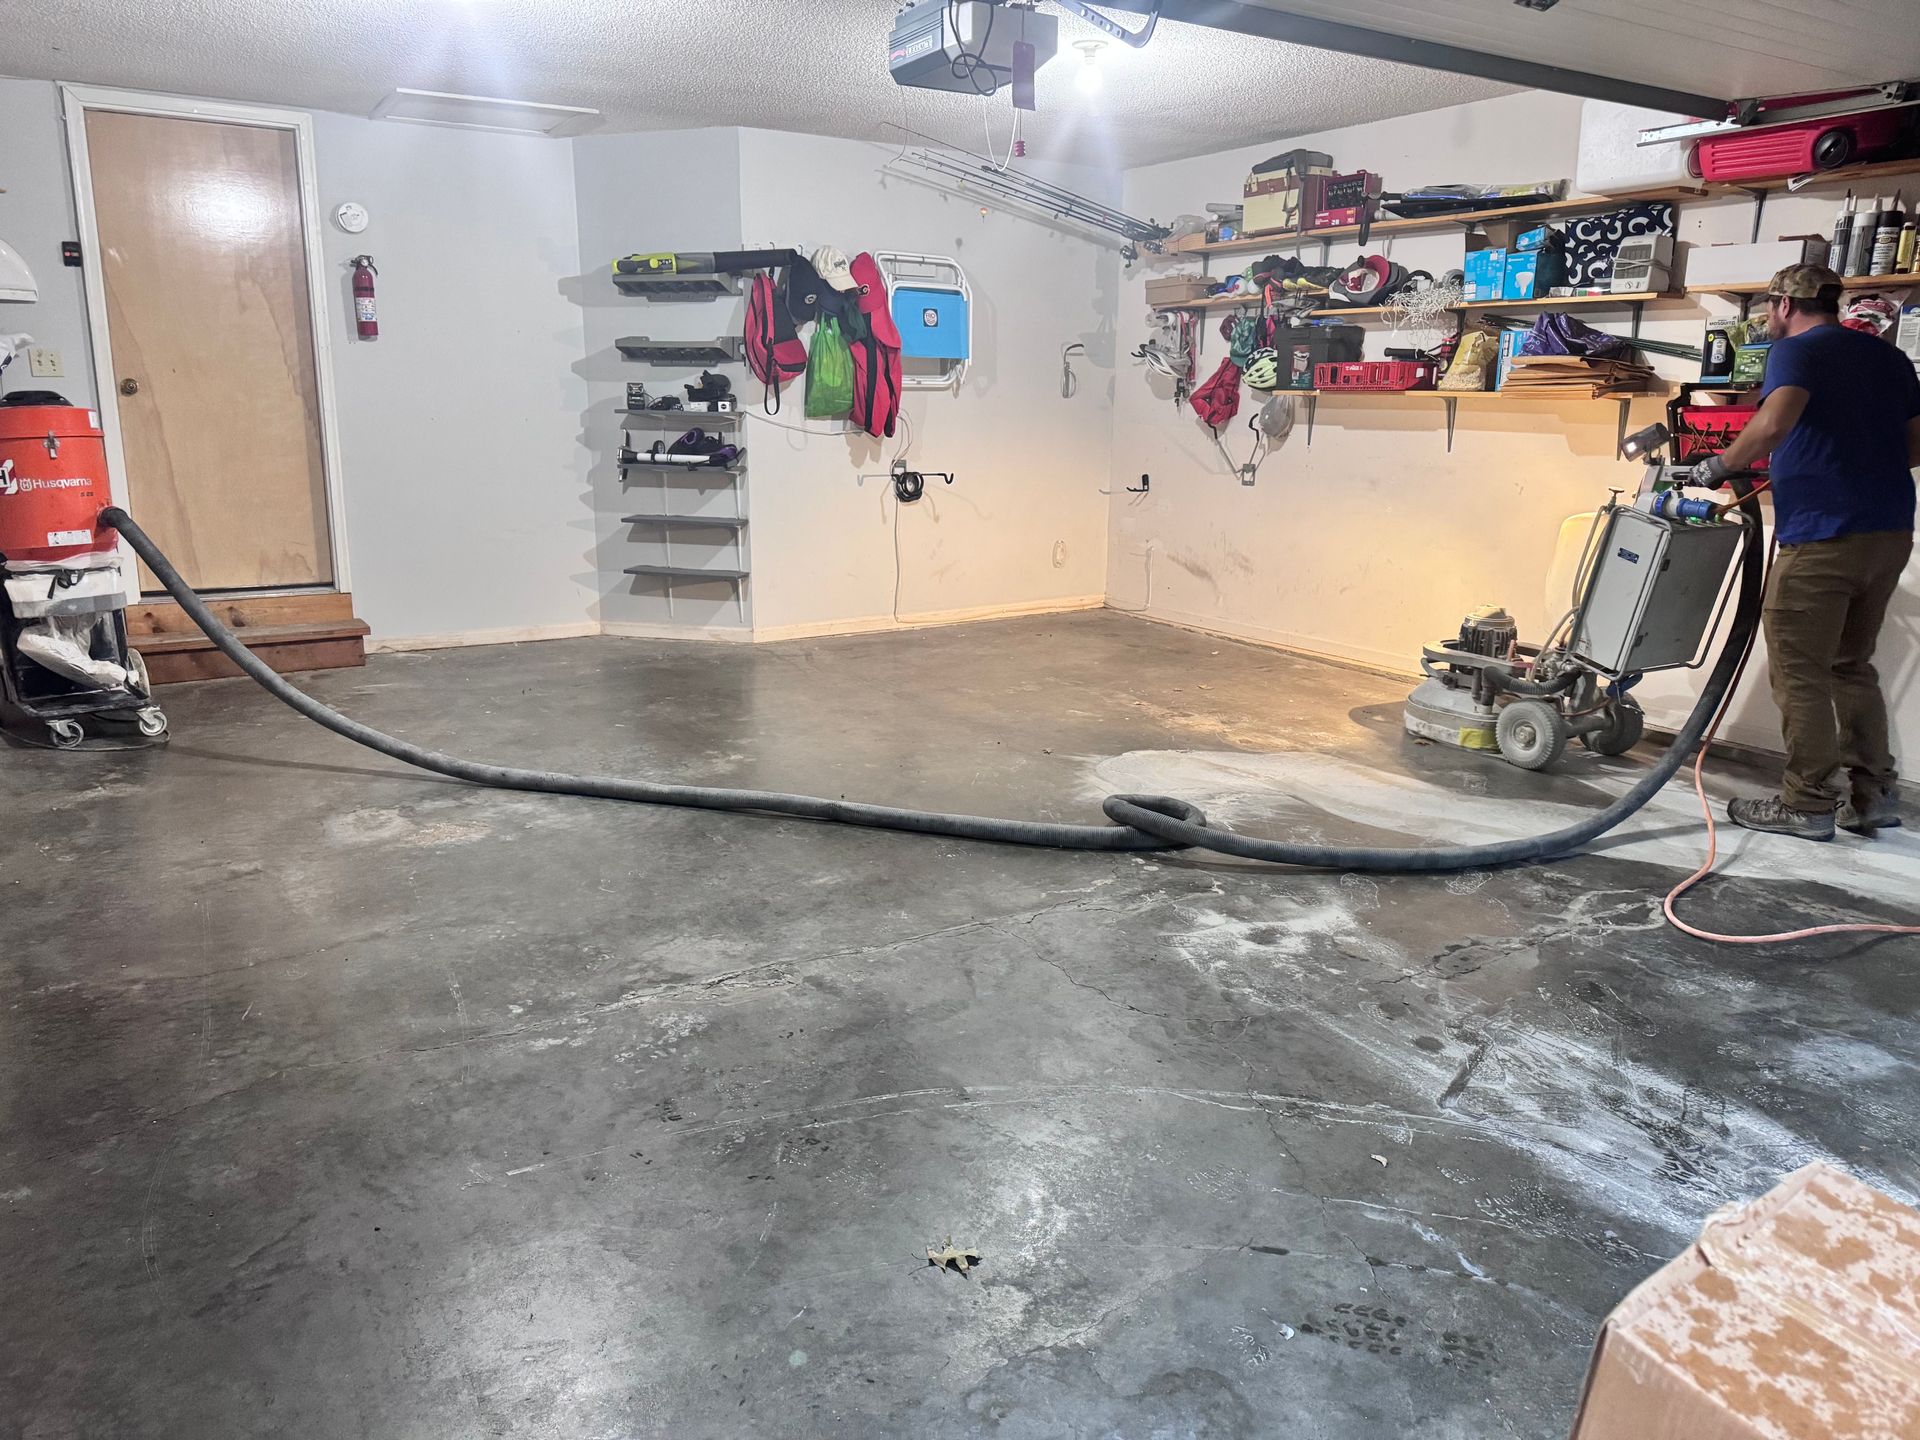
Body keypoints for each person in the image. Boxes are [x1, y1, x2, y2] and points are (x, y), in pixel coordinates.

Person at [1689, 263, 1920, 840]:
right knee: (1850, 665)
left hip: (1822, 537)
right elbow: (1916, 446)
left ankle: (1808, 803)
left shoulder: (1795, 350)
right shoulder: (1888, 357)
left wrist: (1719, 465)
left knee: (1800, 671)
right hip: (1889, 532)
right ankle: (1872, 797)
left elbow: (1771, 424)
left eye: (1769, 308)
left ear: (1783, 305)